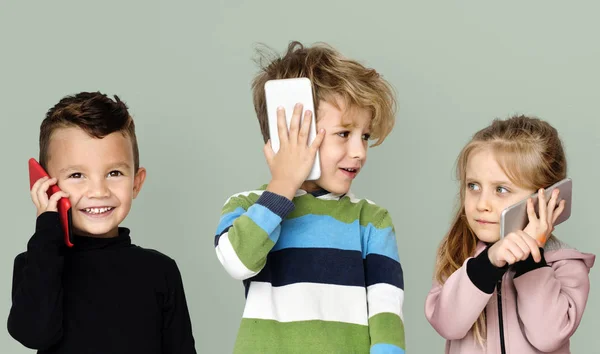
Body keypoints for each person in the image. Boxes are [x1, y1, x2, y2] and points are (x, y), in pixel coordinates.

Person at [214, 41, 405, 353]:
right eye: (344, 134)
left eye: (365, 137)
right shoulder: (248, 207)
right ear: (287, 133)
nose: (358, 152)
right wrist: (283, 185)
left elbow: (386, 312)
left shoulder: (371, 220)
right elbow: (238, 262)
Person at [8, 91, 197, 354]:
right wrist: (47, 231)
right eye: (76, 175)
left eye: (114, 173)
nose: (99, 191)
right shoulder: (36, 264)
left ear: (136, 182)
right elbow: (34, 334)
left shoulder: (159, 270)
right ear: (46, 185)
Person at [425, 114, 595, 354]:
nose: (482, 203)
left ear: (544, 198)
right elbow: (448, 324)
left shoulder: (566, 265)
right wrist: (488, 262)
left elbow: (548, 336)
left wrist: (529, 257)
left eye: (501, 190)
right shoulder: (459, 256)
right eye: (473, 186)